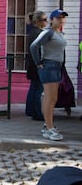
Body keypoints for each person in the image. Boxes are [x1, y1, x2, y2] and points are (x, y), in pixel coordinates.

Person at [30, 9, 68, 141]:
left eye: (63, 18)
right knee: (50, 98)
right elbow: (34, 46)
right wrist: (38, 63)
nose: (61, 20)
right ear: (52, 20)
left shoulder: (59, 33)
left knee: (52, 98)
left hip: (56, 66)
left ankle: (47, 126)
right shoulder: (48, 32)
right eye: (58, 18)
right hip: (49, 66)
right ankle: (49, 129)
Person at [25, 11, 48, 121]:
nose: (46, 22)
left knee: (34, 88)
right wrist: (39, 63)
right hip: (37, 65)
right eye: (44, 20)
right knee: (38, 89)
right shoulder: (38, 33)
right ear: (37, 21)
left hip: (32, 64)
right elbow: (37, 50)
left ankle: (31, 111)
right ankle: (37, 113)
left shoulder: (33, 33)